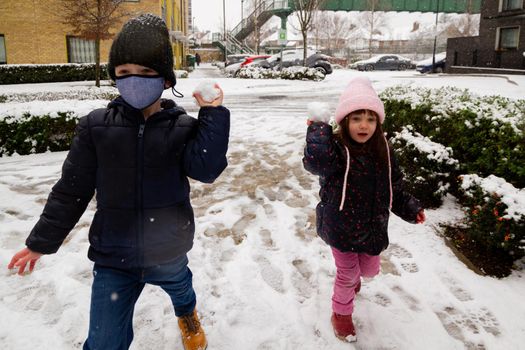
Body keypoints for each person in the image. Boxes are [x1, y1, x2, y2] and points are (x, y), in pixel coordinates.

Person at [7, 13, 229, 350]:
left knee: (181, 288)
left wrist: (212, 115)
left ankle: (187, 314)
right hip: (114, 258)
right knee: (103, 343)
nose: (134, 81)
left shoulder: (181, 127)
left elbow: (207, 170)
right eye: (124, 73)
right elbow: (71, 191)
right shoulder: (96, 127)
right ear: (114, 77)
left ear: (166, 80)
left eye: (146, 72)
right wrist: (41, 241)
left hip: (167, 249)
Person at [302, 76, 425, 342]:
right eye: (357, 117)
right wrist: (317, 132)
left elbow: (394, 187)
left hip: (372, 227)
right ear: (345, 120)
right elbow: (316, 163)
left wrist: (409, 207)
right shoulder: (336, 148)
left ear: (378, 123)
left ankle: (354, 281)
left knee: (370, 271)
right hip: (341, 228)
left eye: (370, 119)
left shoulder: (384, 150)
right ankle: (341, 314)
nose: (364, 125)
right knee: (346, 276)